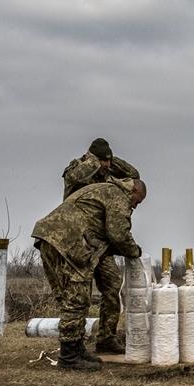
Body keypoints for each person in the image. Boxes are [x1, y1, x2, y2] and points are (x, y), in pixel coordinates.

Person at [32, 178, 147, 370]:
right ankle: (69, 356)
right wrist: (134, 251)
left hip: (71, 240)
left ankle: (88, 344)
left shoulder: (107, 191)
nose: (135, 206)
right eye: (138, 200)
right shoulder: (118, 194)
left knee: (105, 285)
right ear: (134, 190)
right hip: (65, 240)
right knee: (76, 297)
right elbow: (118, 233)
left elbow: (107, 235)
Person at [60, 137, 141, 353]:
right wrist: (94, 161)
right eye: (103, 161)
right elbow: (72, 177)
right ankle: (74, 343)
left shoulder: (109, 176)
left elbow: (134, 175)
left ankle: (106, 337)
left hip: (100, 244)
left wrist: (111, 160)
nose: (106, 165)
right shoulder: (79, 170)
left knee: (112, 284)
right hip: (79, 241)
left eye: (108, 161)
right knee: (80, 292)